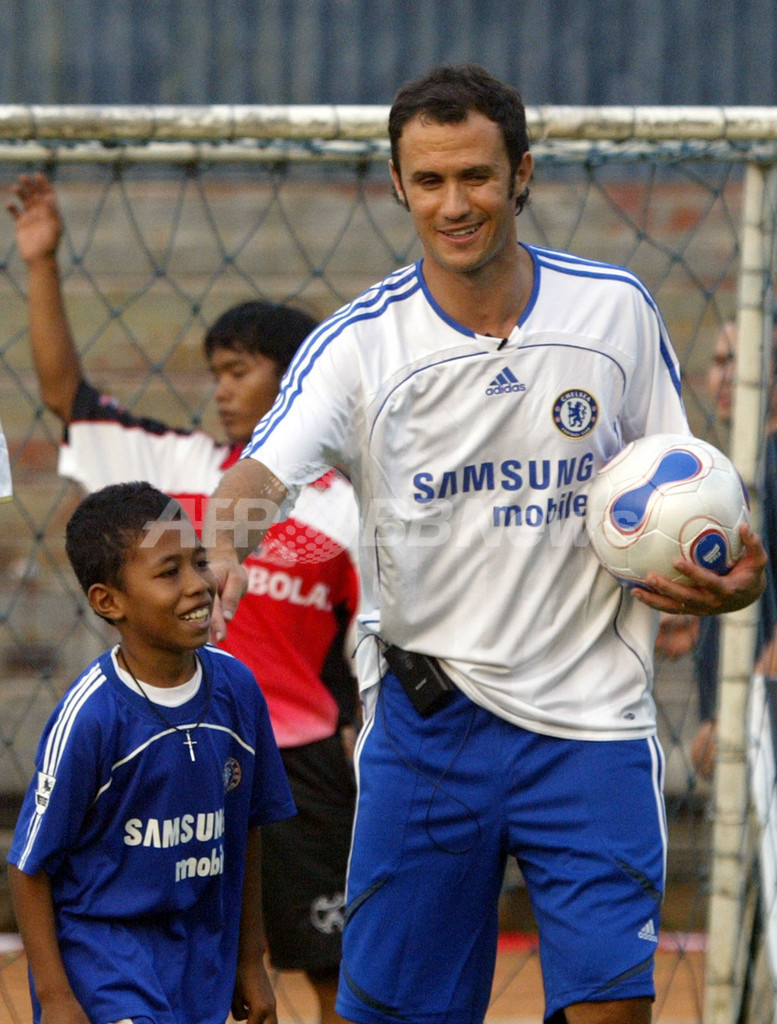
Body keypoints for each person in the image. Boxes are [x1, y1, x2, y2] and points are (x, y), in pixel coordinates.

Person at [205, 64, 767, 1024]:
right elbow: (257, 480)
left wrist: (721, 571)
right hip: (430, 727)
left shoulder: (614, 312)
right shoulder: (357, 347)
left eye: (474, 176)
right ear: (396, 186)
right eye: (428, 181)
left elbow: (680, 488)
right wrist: (224, 550)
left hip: (590, 721)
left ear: (521, 175)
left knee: (612, 1013)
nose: (453, 203)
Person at [7, 173, 359, 1024]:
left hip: (300, 760)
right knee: (172, 943)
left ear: (297, 380)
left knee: (329, 969)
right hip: (168, 746)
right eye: (215, 374)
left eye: (239, 371)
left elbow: (363, 647)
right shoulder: (182, 471)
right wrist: (43, 263)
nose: (222, 390)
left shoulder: (351, 504)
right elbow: (67, 401)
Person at [7, 481, 296, 1024]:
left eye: (199, 562)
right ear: (108, 601)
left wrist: (249, 958)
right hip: (107, 964)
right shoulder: (91, 718)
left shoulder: (236, 689)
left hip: (197, 961)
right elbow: (28, 867)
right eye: (169, 572)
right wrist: (57, 998)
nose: (197, 585)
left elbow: (246, 830)